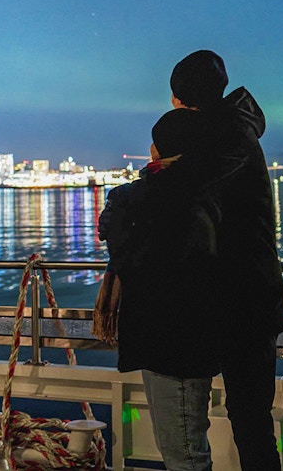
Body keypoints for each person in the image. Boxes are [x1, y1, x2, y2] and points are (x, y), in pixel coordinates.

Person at [169, 50, 283, 471]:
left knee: (237, 420)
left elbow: (182, 201)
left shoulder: (219, 140)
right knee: (249, 418)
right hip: (252, 299)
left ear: (180, 100)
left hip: (238, 304)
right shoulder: (237, 133)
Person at [96, 107, 223, 470]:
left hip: (173, 344)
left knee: (183, 452)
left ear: (162, 149)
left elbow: (139, 264)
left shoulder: (166, 199)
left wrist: (121, 209)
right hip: (182, 339)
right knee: (185, 444)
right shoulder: (199, 190)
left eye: (155, 141)